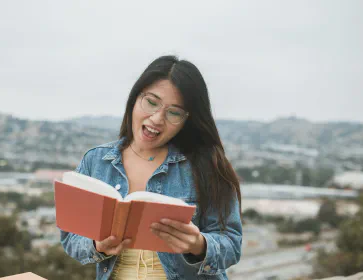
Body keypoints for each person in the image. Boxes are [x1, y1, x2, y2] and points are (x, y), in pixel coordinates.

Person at [60, 55, 243, 279]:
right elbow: (71, 238)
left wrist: (199, 244)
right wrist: (97, 246)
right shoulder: (95, 162)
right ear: (135, 98)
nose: (157, 119)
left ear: (187, 119)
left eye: (174, 112)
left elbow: (232, 245)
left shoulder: (206, 166)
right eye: (151, 102)